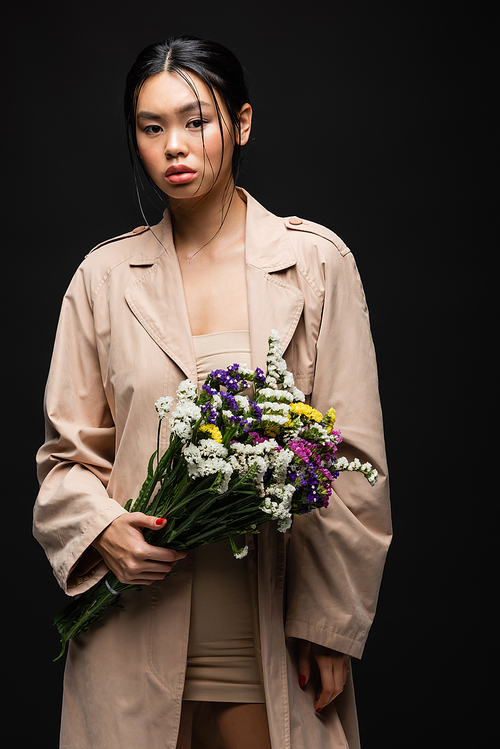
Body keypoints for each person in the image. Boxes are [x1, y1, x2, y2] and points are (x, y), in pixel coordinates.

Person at [34, 35, 392, 749]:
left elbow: (354, 463)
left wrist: (329, 626)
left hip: (269, 656)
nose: (175, 146)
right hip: (128, 645)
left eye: (195, 120)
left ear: (243, 122)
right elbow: (65, 459)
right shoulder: (103, 279)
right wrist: (102, 529)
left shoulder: (315, 263)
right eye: (151, 126)